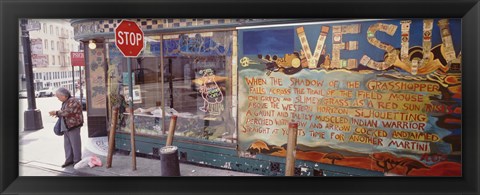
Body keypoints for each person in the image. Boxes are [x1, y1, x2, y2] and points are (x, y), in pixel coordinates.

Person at [49, 87, 84, 168]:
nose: (57, 98)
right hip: (67, 126)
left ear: (64, 96)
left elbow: (68, 112)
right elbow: (65, 113)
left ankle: (77, 161)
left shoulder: (73, 101)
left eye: (58, 96)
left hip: (73, 126)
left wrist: (56, 112)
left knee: (75, 145)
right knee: (67, 145)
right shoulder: (66, 101)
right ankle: (69, 160)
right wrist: (57, 114)